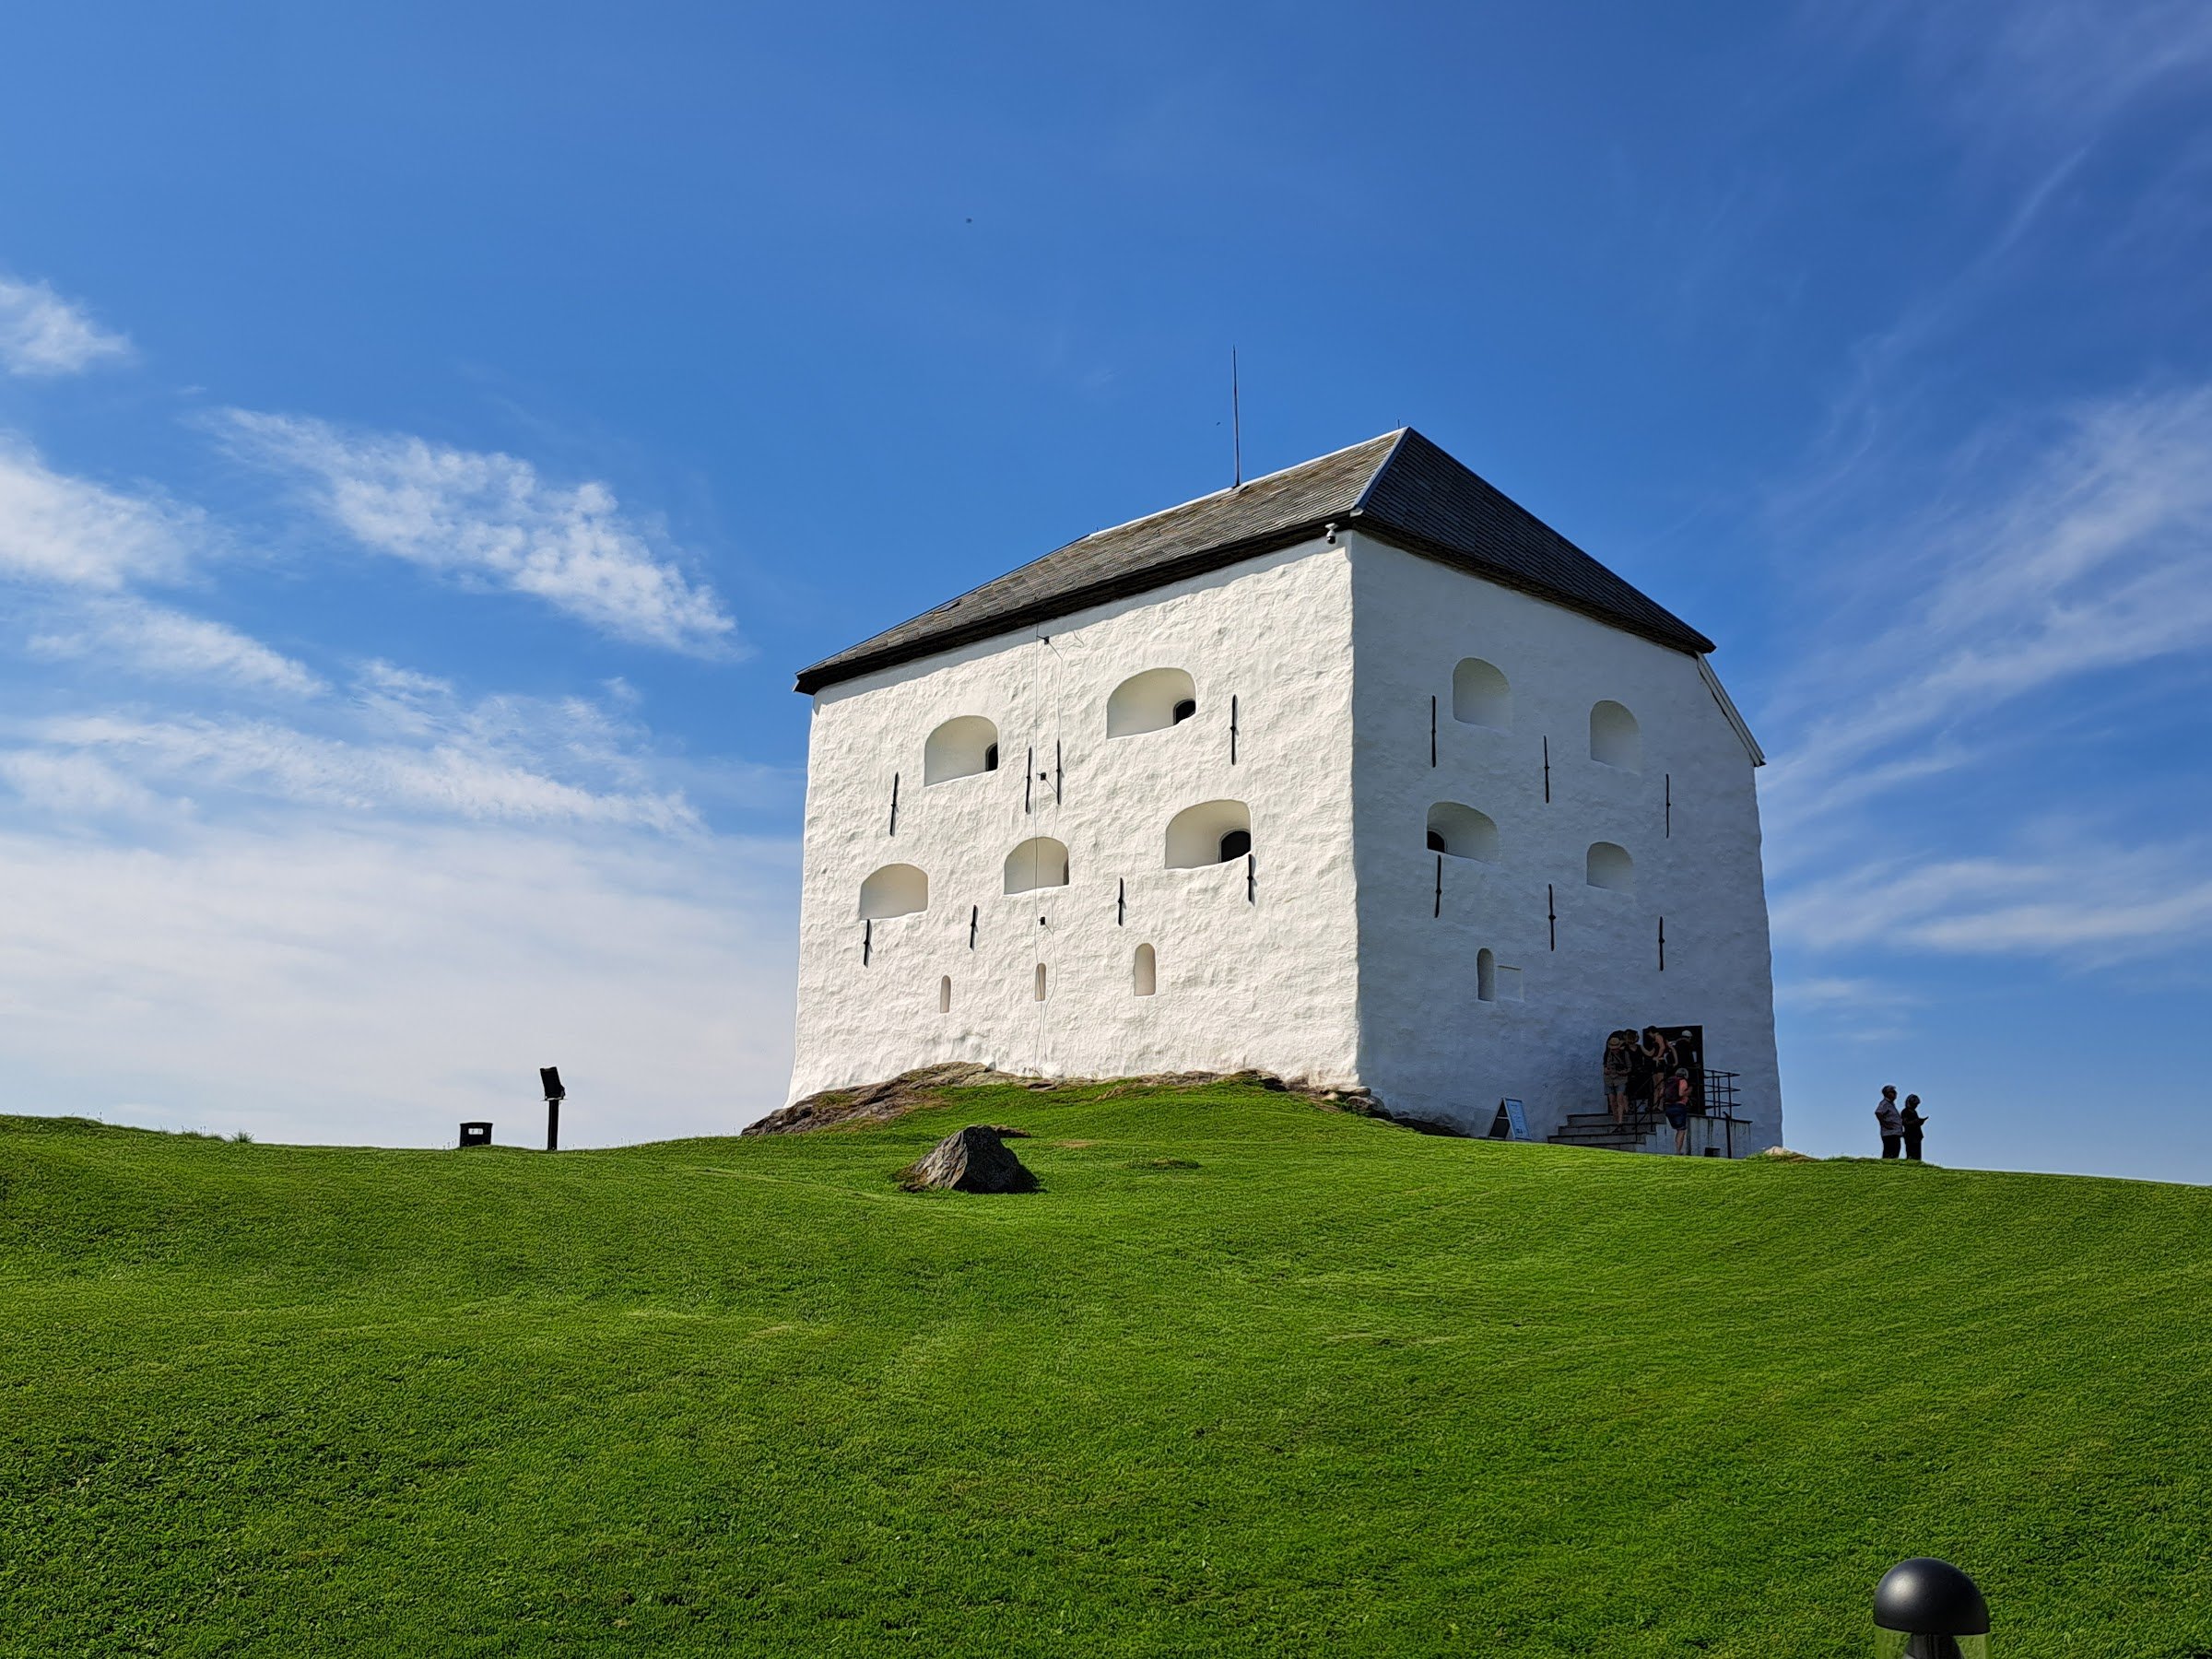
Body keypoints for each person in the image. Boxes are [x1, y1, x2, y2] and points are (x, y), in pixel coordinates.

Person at [1624, 1029, 1656, 1126]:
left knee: (1643, 1089)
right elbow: (1649, 1054)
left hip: (1639, 1071)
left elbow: (1649, 1054)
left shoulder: (1638, 1047)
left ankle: (1644, 1106)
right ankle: (1629, 1108)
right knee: (1629, 1090)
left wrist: (1655, 1046)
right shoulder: (1625, 1049)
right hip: (1630, 1072)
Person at [1602, 1032, 1632, 1126]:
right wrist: (1606, 1070)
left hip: (1621, 1078)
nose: (1614, 1050)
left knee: (1619, 1098)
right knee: (1612, 1100)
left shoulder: (1625, 1054)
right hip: (1609, 1079)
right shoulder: (1607, 1054)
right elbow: (1604, 1066)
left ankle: (1620, 1121)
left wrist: (1624, 1071)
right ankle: (1616, 1118)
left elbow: (1629, 1067)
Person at [1662, 1066, 1694, 1154]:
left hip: (1668, 1107)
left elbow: (1662, 1093)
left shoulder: (1669, 1081)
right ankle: (1678, 1151)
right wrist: (1689, 1091)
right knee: (1681, 1130)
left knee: (1678, 1129)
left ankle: (1677, 1149)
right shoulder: (1683, 1081)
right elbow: (1681, 1093)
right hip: (1679, 1107)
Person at [1875, 1086, 1904, 1159]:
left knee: (1895, 1151)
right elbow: (1878, 1113)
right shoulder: (1885, 1103)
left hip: (1894, 1133)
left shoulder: (1891, 1104)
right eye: (1893, 1092)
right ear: (1887, 1093)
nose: (1895, 1093)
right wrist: (1885, 1124)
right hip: (1889, 1134)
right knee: (1890, 1152)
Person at [1900, 1094, 1926, 1162]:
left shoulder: (1914, 1112)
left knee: (1917, 1154)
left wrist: (1920, 1122)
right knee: (1911, 1153)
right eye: (1914, 1104)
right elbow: (1905, 1123)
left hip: (1917, 1135)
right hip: (1910, 1136)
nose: (1916, 1106)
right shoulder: (1905, 1111)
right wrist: (1915, 1121)